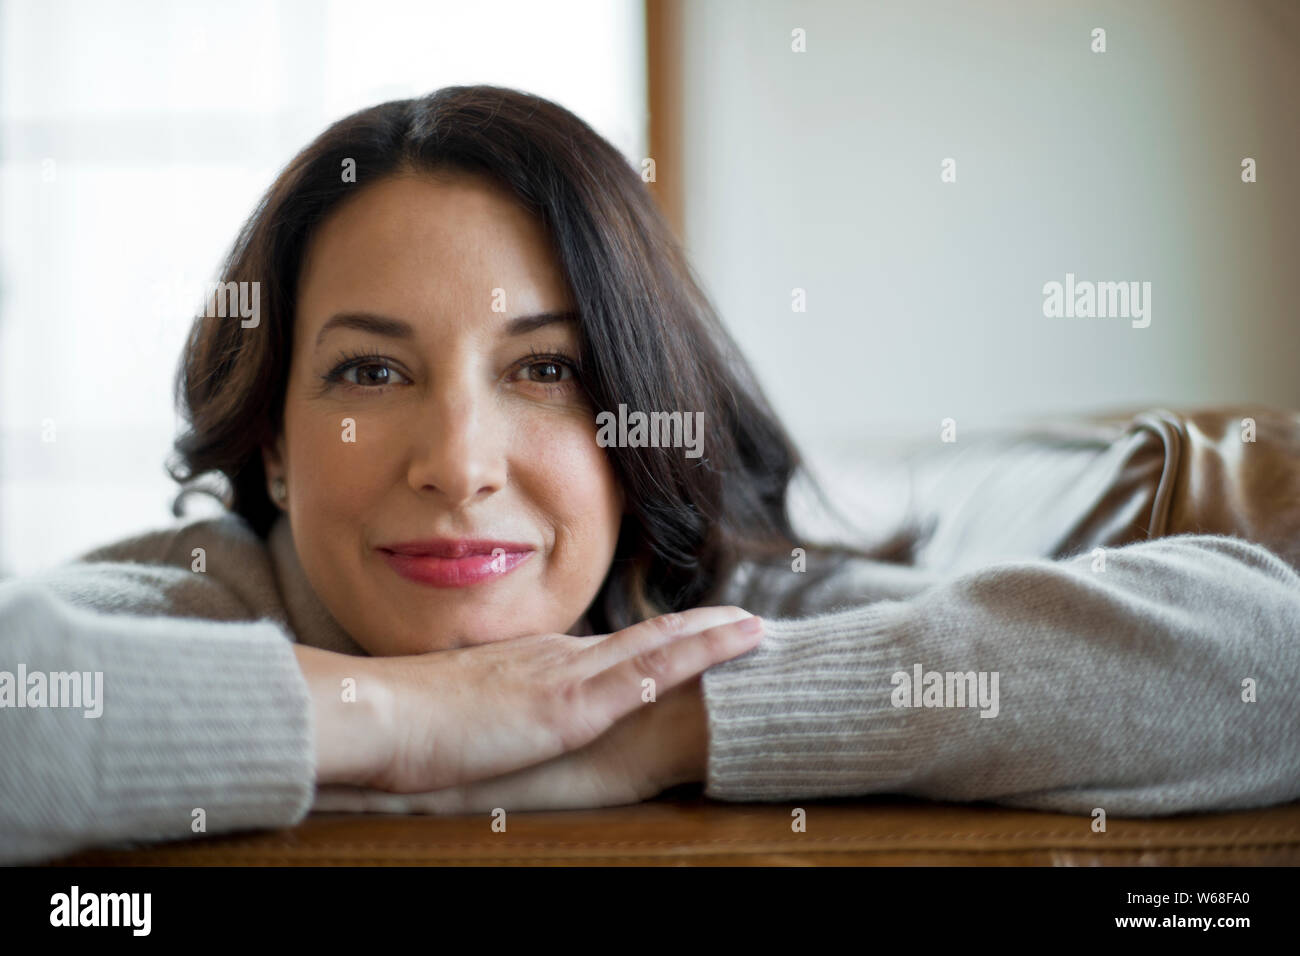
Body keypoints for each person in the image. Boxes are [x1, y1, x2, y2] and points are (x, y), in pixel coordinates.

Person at [3, 86, 1298, 866]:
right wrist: (411, 720)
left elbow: (1267, 661)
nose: (458, 466)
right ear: (275, 446)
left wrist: (658, 724)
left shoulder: (716, 607)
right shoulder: (199, 600)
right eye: (370, 375)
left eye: (549, 372)